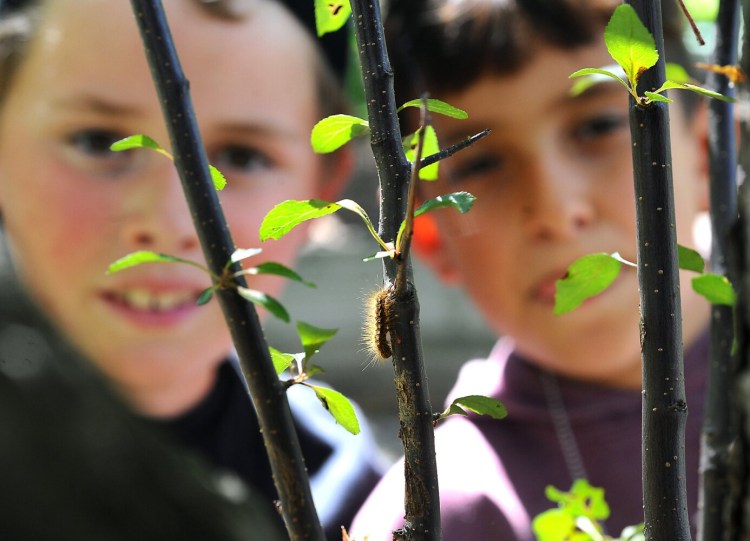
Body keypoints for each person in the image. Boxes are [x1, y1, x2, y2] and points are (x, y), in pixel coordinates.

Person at [0, 0, 383, 538]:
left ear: (323, 191)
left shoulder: (370, 504)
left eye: (243, 156)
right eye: (98, 141)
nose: (169, 223)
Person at [351, 0, 711, 539]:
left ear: (704, 152)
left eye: (597, 125)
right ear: (424, 233)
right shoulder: (442, 516)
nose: (555, 211)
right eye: (481, 163)